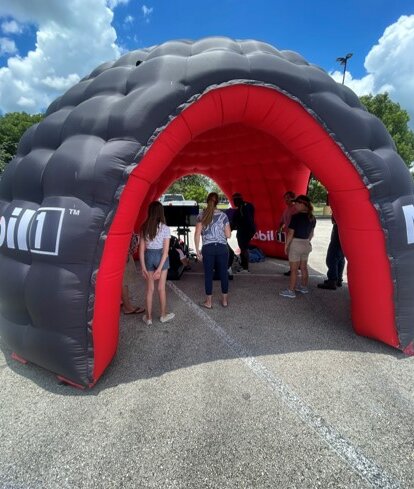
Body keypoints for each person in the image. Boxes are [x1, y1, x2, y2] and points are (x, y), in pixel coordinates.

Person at [139, 201, 175, 325]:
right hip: (160, 256)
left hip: (148, 255)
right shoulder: (165, 228)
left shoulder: (144, 227)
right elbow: (165, 252)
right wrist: (159, 269)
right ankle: (163, 315)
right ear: (161, 212)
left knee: (150, 289)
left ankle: (148, 318)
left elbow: (141, 249)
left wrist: (143, 267)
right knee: (161, 288)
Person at [195, 192, 231, 308]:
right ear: (218, 202)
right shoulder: (223, 216)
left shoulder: (201, 215)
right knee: (223, 274)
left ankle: (209, 302)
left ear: (207, 201)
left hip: (208, 248)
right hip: (221, 248)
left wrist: (197, 250)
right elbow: (229, 235)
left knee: (208, 275)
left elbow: (196, 234)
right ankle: (224, 301)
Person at [280, 195, 316, 298]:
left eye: (297, 203)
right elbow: (311, 234)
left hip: (296, 244)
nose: (295, 205)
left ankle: (291, 291)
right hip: (306, 244)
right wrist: (306, 242)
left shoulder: (295, 217)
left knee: (294, 270)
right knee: (304, 267)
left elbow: (290, 233)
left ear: (303, 204)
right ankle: (304, 287)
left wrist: (286, 246)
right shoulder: (312, 218)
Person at [317, 216, 345, 290]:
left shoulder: (339, 210)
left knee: (332, 258)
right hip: (344, 230)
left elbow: (334, 221)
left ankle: (332, 281)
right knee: (340, 257)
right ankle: (338, 279)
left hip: (338, 229)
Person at [231, 192, 256, 273]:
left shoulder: (242, 208)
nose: (233, 203)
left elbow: (244, 220)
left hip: (245, 231)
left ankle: (245, 268)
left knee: (244, 249)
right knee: (243, 248)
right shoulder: (248, 205)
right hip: (247, 230)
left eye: (234, 200)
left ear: (237, 200)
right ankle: (243, 265)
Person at [122, 233, 145, 315]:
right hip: (123, 253)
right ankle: (128, 307)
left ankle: (121, 301)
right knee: (124, 281)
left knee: (121, 280)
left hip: (119, 252)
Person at [278, 191, 298, 276]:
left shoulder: (295, 209)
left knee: (293, 253)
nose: (285, 200)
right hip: (288, 234)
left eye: (287, 198)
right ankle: (293, 269)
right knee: (291, 253)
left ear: (292, 198)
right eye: (285, 198)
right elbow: (282, 220)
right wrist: (280, 228)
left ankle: (294, 270)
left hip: (295, 235)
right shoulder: (287, 209)